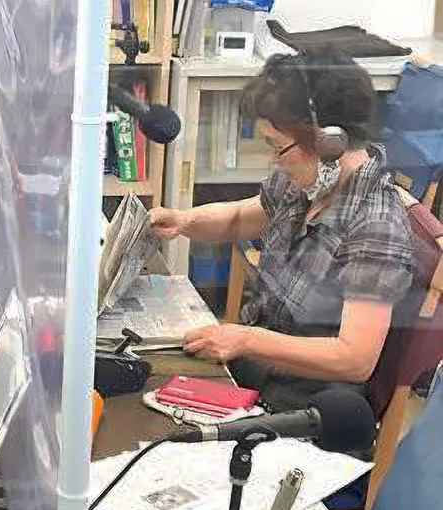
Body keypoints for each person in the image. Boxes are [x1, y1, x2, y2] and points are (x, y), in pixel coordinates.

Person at [148, 50, 415, 417]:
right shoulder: (313, 181)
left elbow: (355, 359)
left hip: (304, 410)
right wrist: (183, 220)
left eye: (277, 146)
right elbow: (242, 216)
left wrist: (246, 339)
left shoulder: (376, 225)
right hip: (253, 377)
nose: (273, 160)